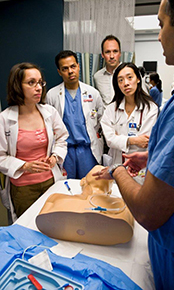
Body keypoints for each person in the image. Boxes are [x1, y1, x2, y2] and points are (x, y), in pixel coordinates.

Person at [93, 0, 174, 289]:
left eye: (160, 24)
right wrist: (151, 155)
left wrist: (117, 170)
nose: (158, 35)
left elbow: (147, 212)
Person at [0, 62, 68, 223]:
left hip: (50, 181)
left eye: (40, 82)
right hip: (23, 188)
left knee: (53, 224)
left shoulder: (49, 112)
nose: (39, 88)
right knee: (28, 227)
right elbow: (1, 156)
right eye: (31, 83)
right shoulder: (5, 119)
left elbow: (62, 138)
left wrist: (54, 157)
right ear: (17, 86)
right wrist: (25, 166)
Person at [36, 165, 134, 245]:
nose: (103, 172)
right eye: (99, 170)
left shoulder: (56, 198)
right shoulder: (123, 204)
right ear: (82, 180)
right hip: (115, 214)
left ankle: (75, 211)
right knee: (124, 214)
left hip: (60, 206)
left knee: (52, 203)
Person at [46, 50, 104, 179]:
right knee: (67, 188)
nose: (70, 71)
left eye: (73, 66)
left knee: (90, 186)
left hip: (88, 151)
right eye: (65, 68)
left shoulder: (93, 93)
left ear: (78, 66)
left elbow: (100, 119)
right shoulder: (52, 95)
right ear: (59, 72)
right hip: (66, 151)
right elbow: (48, 124)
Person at [100, 63, 158, 167]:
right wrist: (133, 140)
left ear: (138, 79)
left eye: (130, 77)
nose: (126, 83)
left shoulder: (150, 108)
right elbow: (109, 139)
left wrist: (118, 138)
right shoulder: (111, 109)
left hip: (139, 166)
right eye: (120, 80)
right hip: (116, 164)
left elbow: (144, 141)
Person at [93, 35, 121, 107]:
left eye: (115, 51)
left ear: (120, 53)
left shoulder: (130, 74)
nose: (112, 56)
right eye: (107, 52)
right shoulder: (97, 77)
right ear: (102, 54)